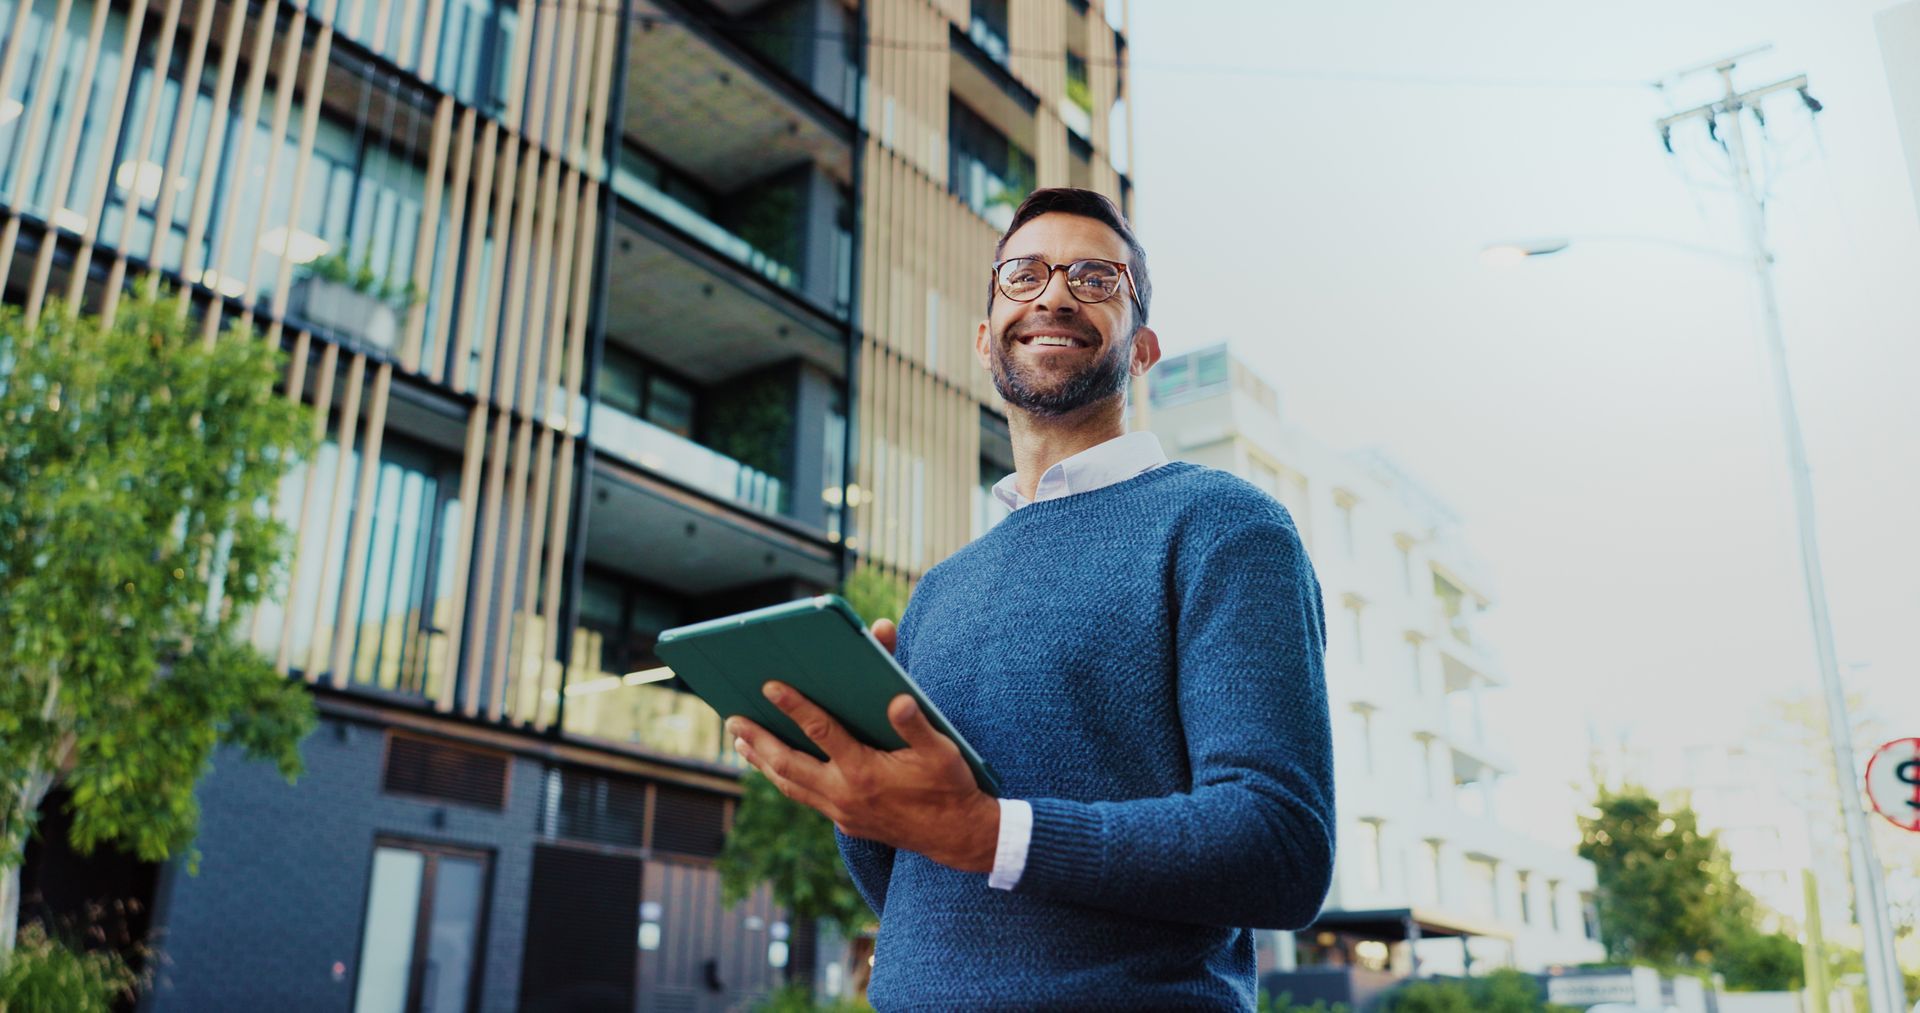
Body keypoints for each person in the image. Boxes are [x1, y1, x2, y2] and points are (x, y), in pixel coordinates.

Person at [726, 187, 1335, 1010]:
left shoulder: (1224, 526)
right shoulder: (939, 592)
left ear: (1143, 346)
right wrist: (860, 784)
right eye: (1023, 274)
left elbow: (1280, 847)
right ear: (986, 339)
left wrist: (990, 832)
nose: (1053, 294)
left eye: (1094, 277)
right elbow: (909, 881)